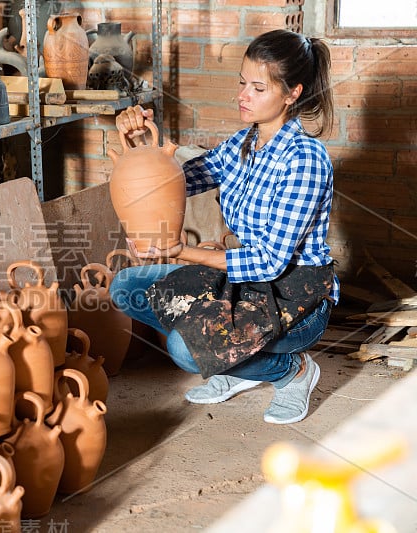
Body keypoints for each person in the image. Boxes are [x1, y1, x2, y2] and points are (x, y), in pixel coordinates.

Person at [110, 29, 338, 425]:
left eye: (257, 87)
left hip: (295, 295)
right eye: (241, 82)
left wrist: (180, 252)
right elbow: (174, 181)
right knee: (126, 288)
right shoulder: (243, 144)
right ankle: (233, 367)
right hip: (241, 279)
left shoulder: (305, 160)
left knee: (185, 350)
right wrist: (141, 145)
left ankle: (292, 371)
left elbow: (269, 263)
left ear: (292, 93)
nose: (242, 95)